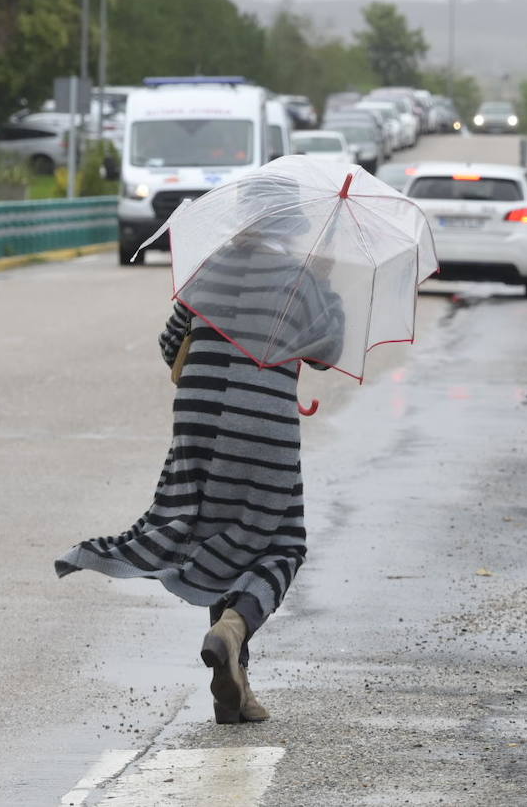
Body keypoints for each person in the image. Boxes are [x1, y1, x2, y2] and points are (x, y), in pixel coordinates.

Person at [55, 198, 340, 725]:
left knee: (219, 533)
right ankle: (233, 629)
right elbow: (328, 349)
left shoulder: (208, 269)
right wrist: (323, 281)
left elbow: (170, 347)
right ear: (289, 232)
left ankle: (233, 691)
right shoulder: (299, 278)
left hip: (198, 420)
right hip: (262, 424)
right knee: (282, 541)